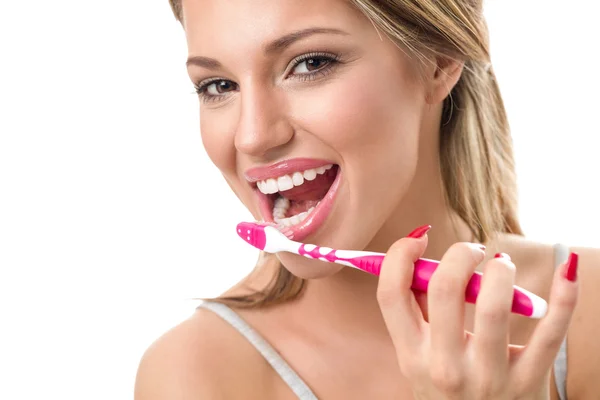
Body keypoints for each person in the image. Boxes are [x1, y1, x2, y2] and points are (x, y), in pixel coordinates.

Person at [135, 0, 600, 398]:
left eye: (311, 63)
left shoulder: (589, 314)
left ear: (439, 57)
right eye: (218, 85)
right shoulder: (197, 375)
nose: (253, 136)